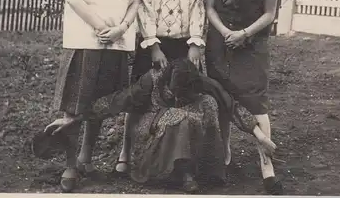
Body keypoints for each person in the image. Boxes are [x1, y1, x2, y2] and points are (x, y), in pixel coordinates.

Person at [41, 58, 277, 194]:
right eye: (173, 93)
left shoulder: (203, 84)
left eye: (184, 95)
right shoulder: (150, 81)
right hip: (153, 136)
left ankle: (200, 169)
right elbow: (114, 102)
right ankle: (177, 174)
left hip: (188, 134)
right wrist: (74, 118)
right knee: (178, 116)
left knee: (209, 104)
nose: (177, 97)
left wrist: (260, 136)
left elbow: (232, 106)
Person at [51, 0, 148, 192]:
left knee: (100, 106)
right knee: (76, 106)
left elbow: (136, 2)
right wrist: (98, 25)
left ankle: (86, 159)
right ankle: (70, 166)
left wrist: (120, 28)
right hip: (85, 42)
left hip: (115, 44)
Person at [115, 0, 206, 176]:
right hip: (152, 41)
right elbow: (142, 8)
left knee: (184, 99)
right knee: (139, 98)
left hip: (184, 43)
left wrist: (195, 43)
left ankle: (181, 161)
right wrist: (153, 46)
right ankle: (126, 152)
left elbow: (197, 6)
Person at [205, 0, 283, 195]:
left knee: (255, 101)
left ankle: (267, 166)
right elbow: (210, 8)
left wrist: (245, 34)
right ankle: (224, 156)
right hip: (221, 43)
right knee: (222, 98)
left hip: (252, 45)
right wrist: (226, 33)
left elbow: (270, 13)